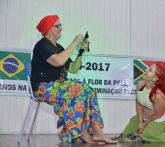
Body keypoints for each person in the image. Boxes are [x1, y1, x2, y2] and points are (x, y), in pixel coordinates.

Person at [30, 15, 117, 144]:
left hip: (58, 87)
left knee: (89, 90)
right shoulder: (42, 45)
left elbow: (73, 69)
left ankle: (97, 132)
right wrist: (74, 43)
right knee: (77, 88)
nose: (61, 28)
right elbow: (58, 61)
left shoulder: (58, 47)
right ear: (48, 29)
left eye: (61, 25)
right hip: (43, 87)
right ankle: (82, 133)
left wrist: (80, 52)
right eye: (57, 26)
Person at [121, 63, 165, 143]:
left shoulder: (158, 95)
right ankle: (144, 132)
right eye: (148, 68)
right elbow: (138, 105)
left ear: (155, 78)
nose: (146, 70)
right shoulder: (140, 85)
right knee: (126, 134)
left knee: (147, 135)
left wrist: (145, 124)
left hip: (160, 120)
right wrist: (140, 122)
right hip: (145, 118)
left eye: (150, 70)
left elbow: (158, 115)